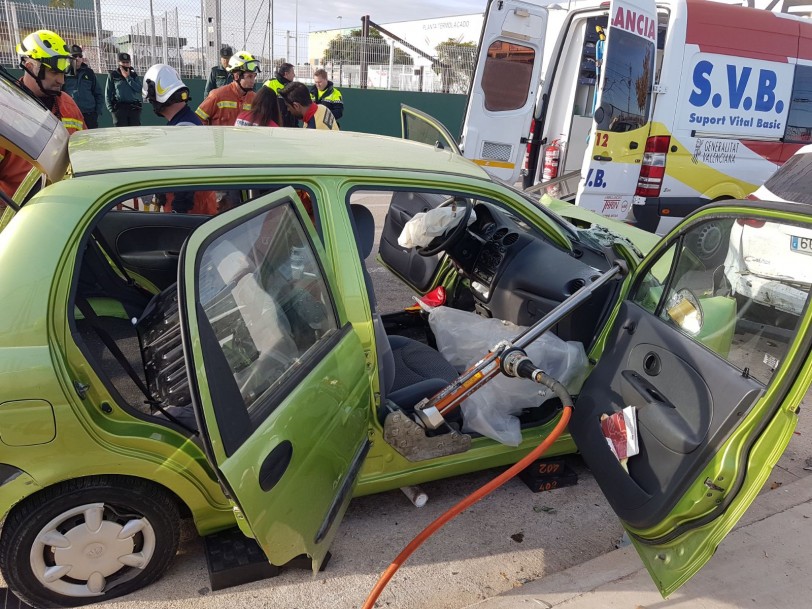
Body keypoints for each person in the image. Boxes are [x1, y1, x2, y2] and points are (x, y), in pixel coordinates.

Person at [1, 29, 85, 202]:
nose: (61, 81)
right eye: (54, 72)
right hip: (16, 213)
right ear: (30, 66)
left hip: (63, 203)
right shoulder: (6, 111)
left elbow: (84, 155)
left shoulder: (68, 106)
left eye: (62, 73)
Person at [142, 64, 215, 214]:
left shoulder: (184, 129)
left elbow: (188, 177)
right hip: (196, 209)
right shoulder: (185, 123)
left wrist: (178, 212)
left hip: (191, 213)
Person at [195, 50, 259, 126]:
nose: (253, 81)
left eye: (254, 77)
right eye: (249, 76)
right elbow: (198, 119)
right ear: (236, 76)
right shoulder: (217, 96)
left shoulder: (255, 99)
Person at [63, 44, 104, 129]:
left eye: (80, 56)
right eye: (74, 56)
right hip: (70, 115)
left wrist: (96, 112)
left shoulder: (89, 73)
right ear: (69, 57)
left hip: (89, 115)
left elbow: (98, 93)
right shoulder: (64, 73)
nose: (77, 58)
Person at [105, 52, 143, 126]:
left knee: (135, 133)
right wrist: (111, 109)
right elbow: (108, 93)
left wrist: (128, 77)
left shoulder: (133, 75)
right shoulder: (113, 75)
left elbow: (139, 89)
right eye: (123, 62)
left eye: (127, 62)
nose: (125, 64)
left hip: (133, 108)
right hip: (119, 108)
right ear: (119, 63)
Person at [264, 63, 297, 127]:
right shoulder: (270, 83)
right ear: (286, 74)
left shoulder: (293, 86)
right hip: (273, 126)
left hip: (289, 126)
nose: (294, 75)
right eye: (292, 73)